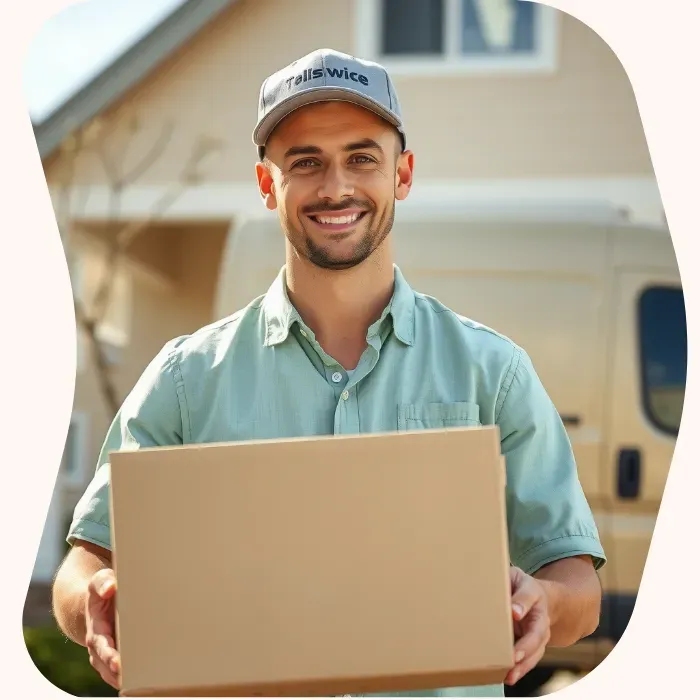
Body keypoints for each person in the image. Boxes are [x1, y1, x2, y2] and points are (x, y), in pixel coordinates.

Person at [51, 48, 606, 698]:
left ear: (403, 173)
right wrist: (89, 602)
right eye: (305, 162)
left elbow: (578, 585)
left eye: (361, 158)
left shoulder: (494, 372)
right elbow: (86, 563)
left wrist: (543, 599)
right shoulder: (184, 380)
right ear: (267, 185)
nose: (335, 187)